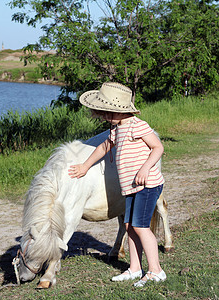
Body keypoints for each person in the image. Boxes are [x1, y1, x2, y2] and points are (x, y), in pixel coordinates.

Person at [68, 82, 166, 287]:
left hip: (147, 184)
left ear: (121, 110)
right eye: (102, 113)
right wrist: (85, 166)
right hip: (130, 186)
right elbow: (105, 146)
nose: (104, 117)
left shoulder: (138, 125)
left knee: (140, 226)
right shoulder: (117, 128)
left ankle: (156, 270)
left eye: (107, 112)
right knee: (129, 226)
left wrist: (145, 168)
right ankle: (134, 268)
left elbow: (158, 147)